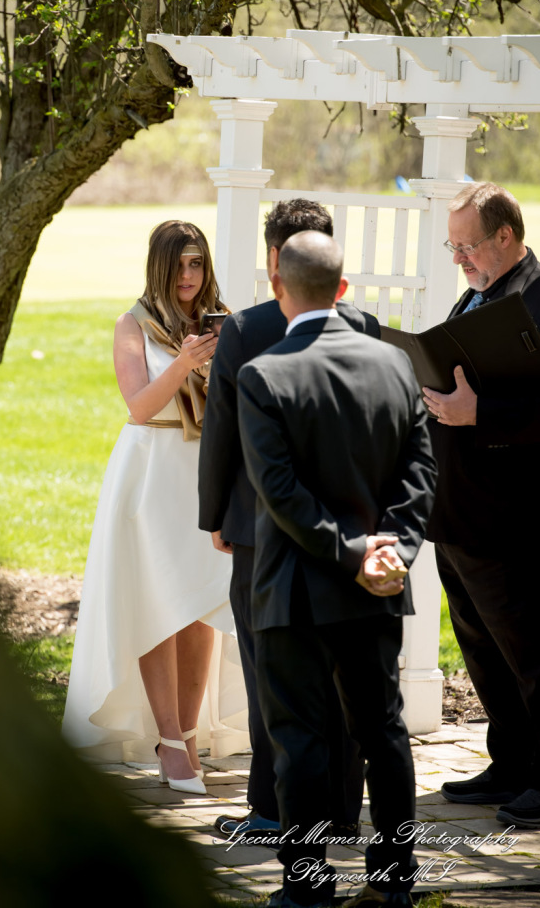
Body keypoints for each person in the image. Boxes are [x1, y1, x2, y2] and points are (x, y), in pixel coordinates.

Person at [237, 231, 437, 908]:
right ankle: (394, 880)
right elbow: (420, 471)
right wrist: (392, 553)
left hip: (296, 589)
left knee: (299, 740)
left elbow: (282, 494)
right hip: (378, 585)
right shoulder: (395, 366)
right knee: (383, 731)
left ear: (278, 289)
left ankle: (308, 890)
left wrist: (351, 555)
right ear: (343, 289)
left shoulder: (263, 375)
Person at [198, 199, 379, 838]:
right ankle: (339, 811)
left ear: (274, 260)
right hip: (348, 529)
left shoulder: (245, 331)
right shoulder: (367, 325)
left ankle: (274, 810)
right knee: (343, 675)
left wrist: (215, 514)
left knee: (270, 672)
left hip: (262, 528)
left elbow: (222, 433)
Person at [63, 220, 247, 792]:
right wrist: (183, 363)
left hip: (206, 471)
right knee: (158, 605)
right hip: (151, 473)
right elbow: (139, 407)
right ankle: (167, 741)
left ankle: (190, 733)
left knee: (200, 605)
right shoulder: (132, 324)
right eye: (179, 264)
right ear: (158, 265)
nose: (189, 276)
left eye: (197, 264)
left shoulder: (225, 320)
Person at [421, 182, 540, 830]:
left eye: (468, 245)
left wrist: (481, 413)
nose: (459, 259)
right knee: (481, 647)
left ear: (506, 235)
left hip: (514, 516)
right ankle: (511, 761)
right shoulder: (475, 293)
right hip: (458, 511)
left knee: (533, 651)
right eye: (454, 247)